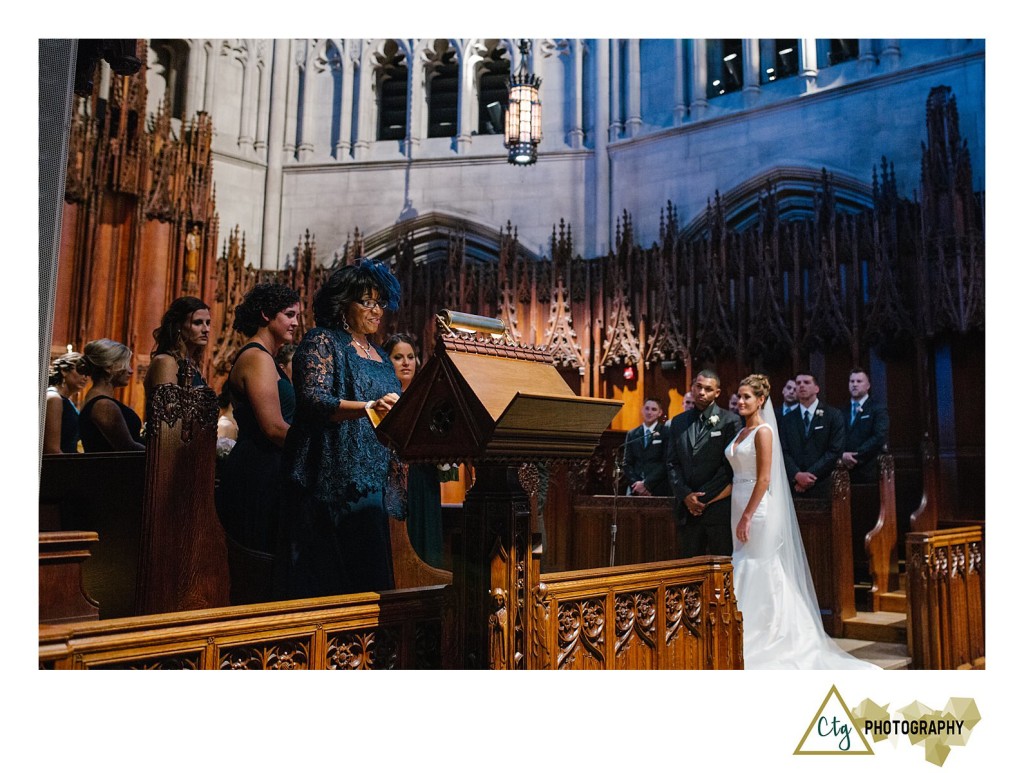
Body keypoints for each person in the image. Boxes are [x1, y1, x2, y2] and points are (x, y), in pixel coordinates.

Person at [726, 374, 878, 669]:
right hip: (737, 501)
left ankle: (768, 631)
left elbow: (765, 477)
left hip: (756, 509)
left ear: (761, 401)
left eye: (747, 397)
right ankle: (742, 625)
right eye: (739, 396)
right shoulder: (740, 432)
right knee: (741, 561)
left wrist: (746, 515)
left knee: (759, 565)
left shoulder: (764, 431)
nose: (741, 402)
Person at [277, 261, 403, 599]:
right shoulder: (323, 341)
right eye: (367, 302)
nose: (378, 310)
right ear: (343, 305)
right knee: (337, 581)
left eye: (380, 302)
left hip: (373, 477)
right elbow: (313, 400)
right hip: (334, 476)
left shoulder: (379, 353)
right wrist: (367, 407)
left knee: (373, 581)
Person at [216, 284, 301, 579]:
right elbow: (274, 428)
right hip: (259, 471)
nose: (296, 322)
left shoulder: (268, 358)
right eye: (289, 314)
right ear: (266, 314)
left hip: (273, 467)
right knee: (260, 567)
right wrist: (320, 444)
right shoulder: (256, 357)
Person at [664, 369, 742, 558]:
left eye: (708, 389)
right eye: (698, 387)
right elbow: (672, 463)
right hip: (687, 508)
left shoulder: (729, 421)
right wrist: (686, 495)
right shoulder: (679, 421)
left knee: (722, 566)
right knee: (688, 566)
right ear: (692, 387)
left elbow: (728, 467)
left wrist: (702, 499)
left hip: (717, 508)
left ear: (717, 393)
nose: (701, 392)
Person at [385, 332, 445, 567]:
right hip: (393, 478)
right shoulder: (380, 398)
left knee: (426, 545)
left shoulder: (428, 396)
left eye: (411, 357)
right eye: (398, 357)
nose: (406, 362)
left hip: (424, 477)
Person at [779, 372, 845, 497]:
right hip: (794, 486)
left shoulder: (833, 415)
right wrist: (797, 475)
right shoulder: (787, 419)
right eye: (798, 383)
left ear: (817, 388)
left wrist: (809, 476)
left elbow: (835, 450)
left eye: (807, 382)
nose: (801, 386)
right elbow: (783, 451)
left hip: (823, 483)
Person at [144, 296, 212, 412]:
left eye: (208, 323)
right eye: (197, 323)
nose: (206, 329)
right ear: (179, 326)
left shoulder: (192, 364)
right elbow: (168, 417)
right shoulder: (166, 362)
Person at [78, 339, 145, 452]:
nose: (131, 371)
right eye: (126, 364)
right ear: (108, 368)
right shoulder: (103, 405)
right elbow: (128, 448)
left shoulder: (97, 399)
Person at [842, 367, 890, 484]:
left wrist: (855, 455)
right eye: (852, 381)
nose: (854, 384)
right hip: (844, 470)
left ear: (868, 385)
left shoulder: (877, 408)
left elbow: (879, 436)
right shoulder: (842, 411)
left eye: (859, 381)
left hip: (868, 468)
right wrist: (842, 455)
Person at [622, 397, 671, 496]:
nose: (649, 412)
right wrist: (636, 484)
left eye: (654, 409)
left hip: (657, 487)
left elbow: (666, 462)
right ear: (642, 410)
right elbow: (627, 463)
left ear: (660, 413)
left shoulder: (666, 432)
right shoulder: (632, 434)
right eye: (647, 408)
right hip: (635, 488)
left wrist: (646, 484)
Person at [44, 351, 88, 454]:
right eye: (81, 371)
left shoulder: (65, 400)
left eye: (87, 374)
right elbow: (52, 450)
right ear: (64, 370)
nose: (85, 377)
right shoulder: (54, 398)